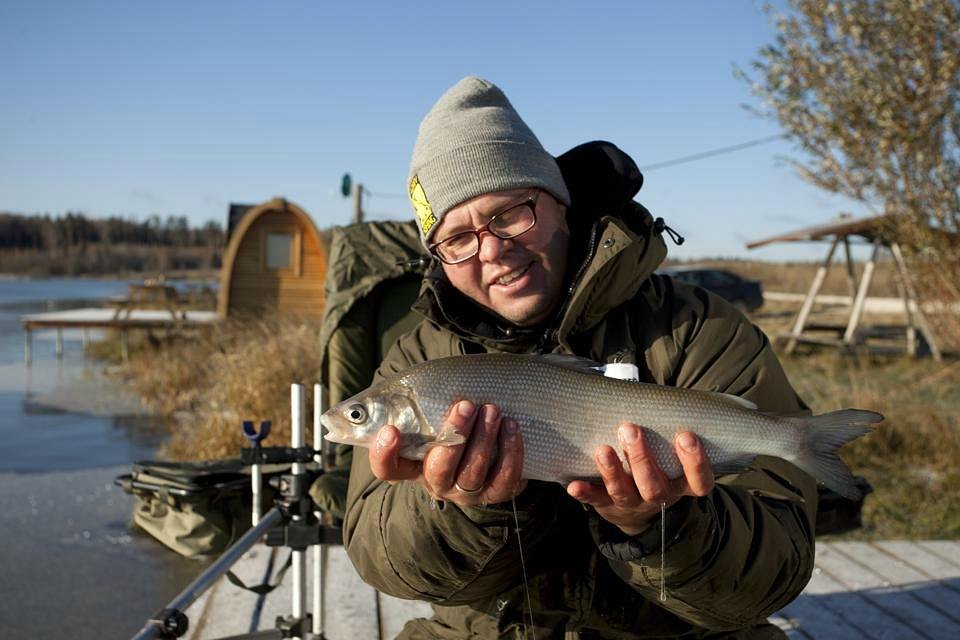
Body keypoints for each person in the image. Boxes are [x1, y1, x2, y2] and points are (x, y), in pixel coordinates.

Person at [342, 76, 817, 639]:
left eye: (511, 213)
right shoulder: (417, 359)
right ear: (440, 257)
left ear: (560, 204)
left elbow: (779, 570)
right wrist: (470, 509)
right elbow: (382, 560)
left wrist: (661, 525)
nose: (492, 249)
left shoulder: (698, 329)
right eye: (458, 238)